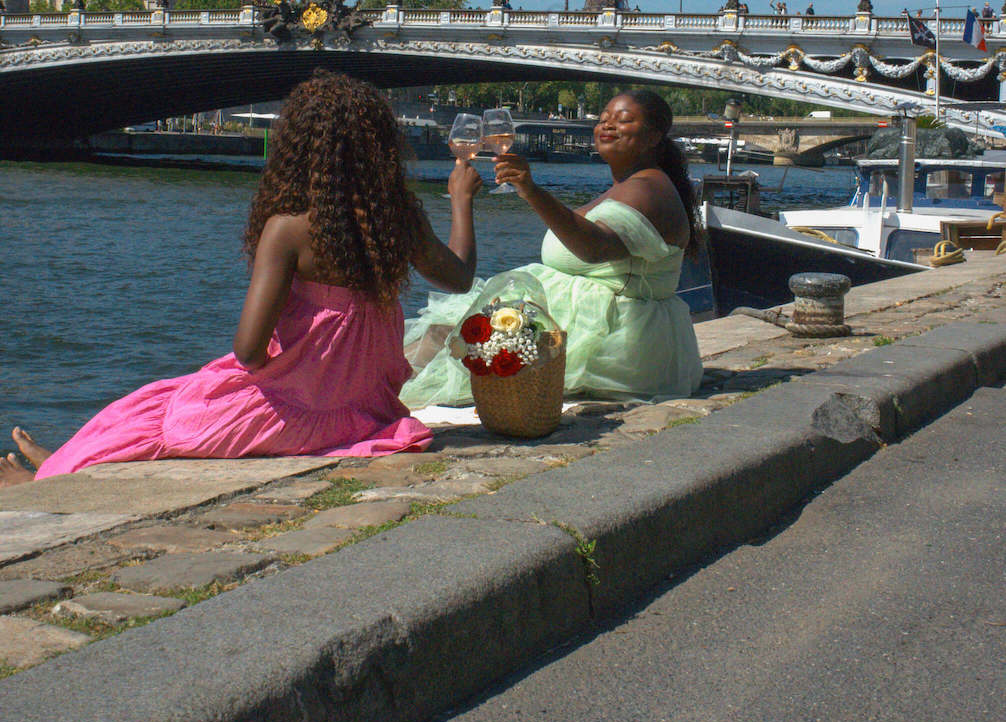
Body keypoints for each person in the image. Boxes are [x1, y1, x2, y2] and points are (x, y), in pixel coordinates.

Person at [3, 73, 482, 485]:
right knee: (165, 404)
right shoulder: (397, 221)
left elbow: (250, 352)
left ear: (298, 147)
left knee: (163, 406)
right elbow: (459, 278)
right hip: (364, 413)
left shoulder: (289, 230)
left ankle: (53, 476)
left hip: (297, 412)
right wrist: (460, 200)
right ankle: (61, 467)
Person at [402, 90, 703, 406]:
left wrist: (531, 191)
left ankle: (363, 399)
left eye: (623, 120)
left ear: (655, 136)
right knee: (440, 337)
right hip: (595, 332)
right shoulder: (630, 185)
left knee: (442, 342)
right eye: (603, 119)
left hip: (613, 344)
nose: (608, 126)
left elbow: (595, 248)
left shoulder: (649, 189)